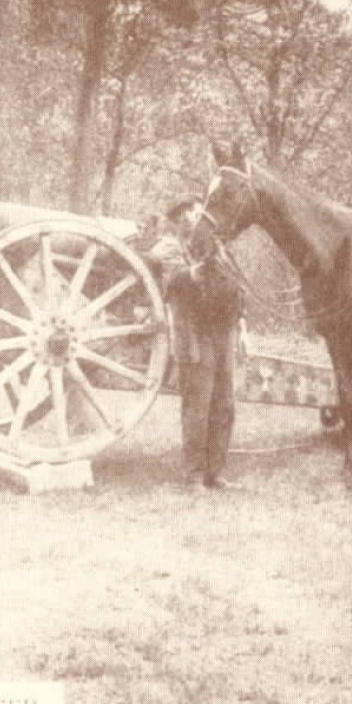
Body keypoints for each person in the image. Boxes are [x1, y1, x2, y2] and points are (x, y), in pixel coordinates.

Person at [147, 196, 243, 489]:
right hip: (192, 334)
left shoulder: (216, 246)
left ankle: (216, 473)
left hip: (222, 331)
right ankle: (194, 476)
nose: (193, 215)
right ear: (176, 220)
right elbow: (171, 282)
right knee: (197, 407)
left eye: (196, 209)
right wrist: (195, 272)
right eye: (186, 212)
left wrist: (243, 328)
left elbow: (235, 287)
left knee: (224, 404)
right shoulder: (168, 248)